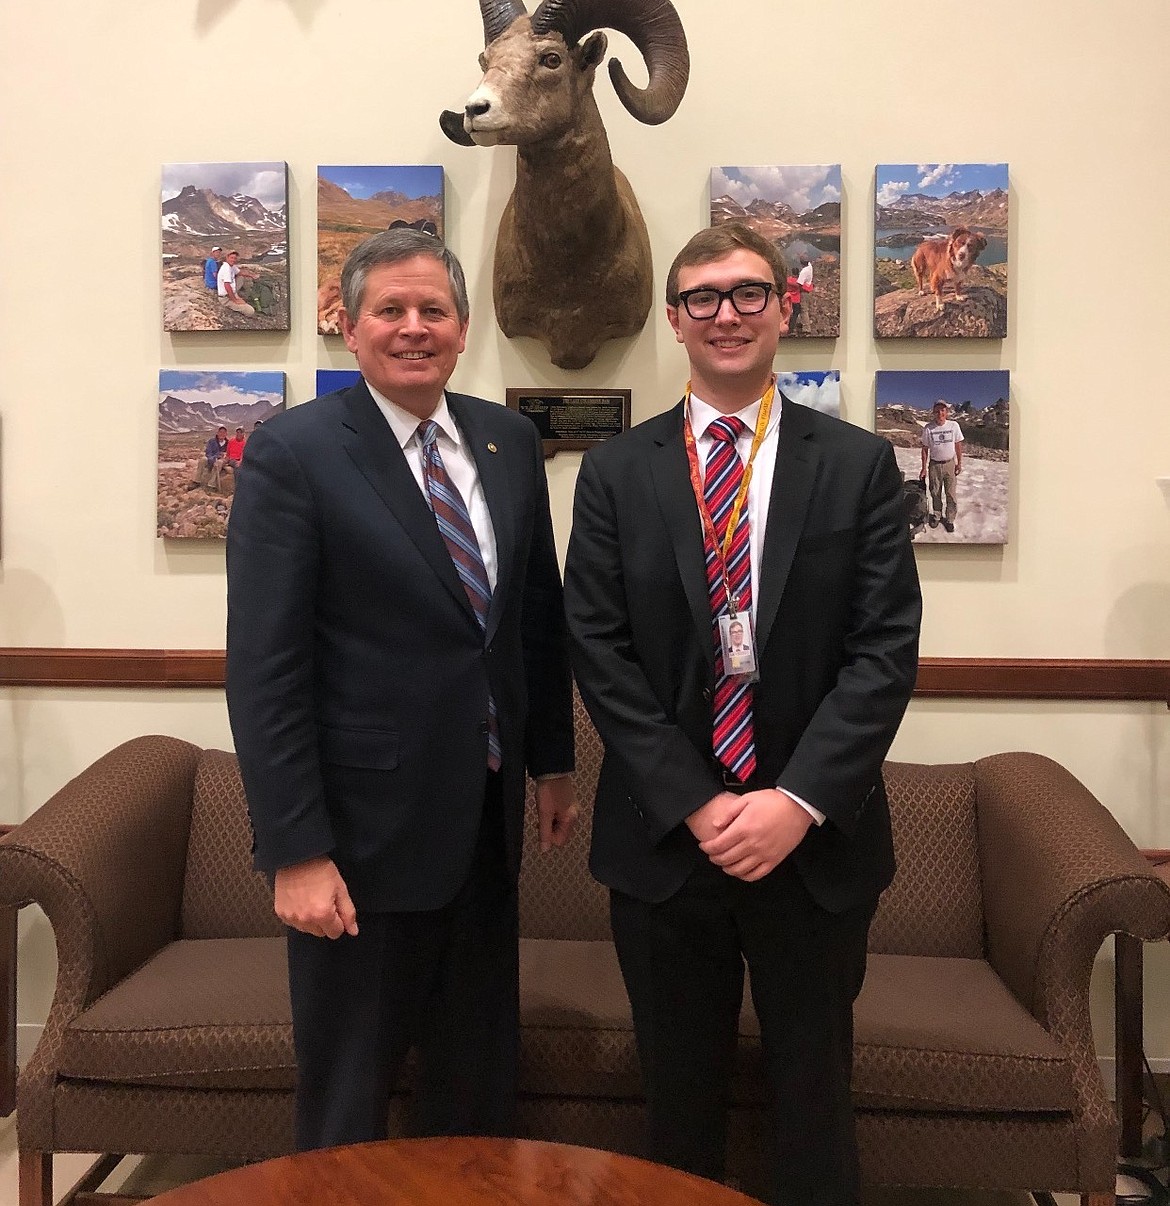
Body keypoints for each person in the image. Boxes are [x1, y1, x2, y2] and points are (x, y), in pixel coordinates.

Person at [563, 222, 921, 1206]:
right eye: (704, 298)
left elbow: (884, 653)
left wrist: (795, 800)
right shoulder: (616, 474)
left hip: (815, 850)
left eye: (748, 293)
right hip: (666, 849)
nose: (727, 314)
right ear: (675, 321)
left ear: (785, 306)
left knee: (814, 1104)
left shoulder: (855, 466)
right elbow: (599, 649)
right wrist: (694, 799)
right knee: (676, 1109)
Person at [225, 227, 578, 1152]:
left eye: (435, 311)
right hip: (359, 845)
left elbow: (534, 617)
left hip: (485, 827)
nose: (413, 328)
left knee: (474, 1097)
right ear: (350, 326)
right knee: (349, 1103)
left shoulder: (506, 441)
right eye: (391, 310)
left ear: (464, 331)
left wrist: (552, 765)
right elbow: (266, 672)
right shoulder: (293, 454)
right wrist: (295, 851)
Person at [919, 398, 963, 533]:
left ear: (947, 412)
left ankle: (949, 519)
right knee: (935, 492)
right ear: (934, 412)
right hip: (934, 465)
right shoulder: (928, 428)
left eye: (942, 410)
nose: (940, 413)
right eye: (937, 411)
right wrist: (923, 468)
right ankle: (937, 516)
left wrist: (959, 463)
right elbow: (925, 448)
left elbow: (958, 445)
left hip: (949, 464)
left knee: (951, 494)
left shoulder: (953, 426)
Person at [217, 250, 255, 318]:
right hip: (226, 298)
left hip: (231, 293)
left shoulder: (231, 266)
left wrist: (252, 275)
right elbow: (227, 286)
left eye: (235, 258)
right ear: (227, 258)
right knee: (250, 311)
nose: (233, 260)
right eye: (231, 258)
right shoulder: (226, 268)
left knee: (241, 278)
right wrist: (235, 300)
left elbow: (240, 273)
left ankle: (237, 296)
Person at [193, 425, 229, 490]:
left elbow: (227, 454)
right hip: (211, 457)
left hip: (221, 460)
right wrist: (212, 458)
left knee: (219, 463)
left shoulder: (228, 443)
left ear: (226, 434)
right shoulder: (212, 441)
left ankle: (211, 484)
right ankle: (197, 481)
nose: (222, 434)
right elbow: (208, 452)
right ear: (217, 433)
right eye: (220, 432)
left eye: (224, 433)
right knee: (202, 460)